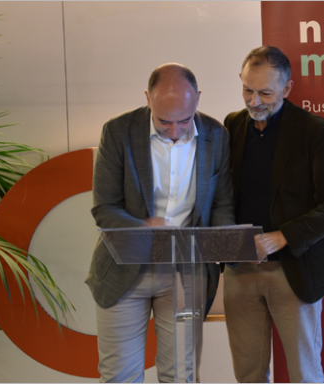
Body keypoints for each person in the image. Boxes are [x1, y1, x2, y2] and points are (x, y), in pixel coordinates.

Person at [86, 63, 234, 383]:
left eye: (183, 120)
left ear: (197, 99)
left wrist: (225, 242)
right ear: (147, 99)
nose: (174, 130)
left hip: (186, 271)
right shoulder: (118, 132)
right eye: (164, 120)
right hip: (125, 268)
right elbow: (104, 209)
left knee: (180, 375)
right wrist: (143, 229)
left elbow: (221, 203)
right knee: (119, 375)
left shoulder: (216, 134)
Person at [222, 46, 324, 383]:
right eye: (247, 90)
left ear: (287, 88)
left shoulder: (314, 130)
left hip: (294, 270)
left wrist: (281, 237)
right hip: (240, 271)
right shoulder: (232, 126)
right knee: (248, 374)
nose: (254, 102)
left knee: (304, 374)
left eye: (265, 92)